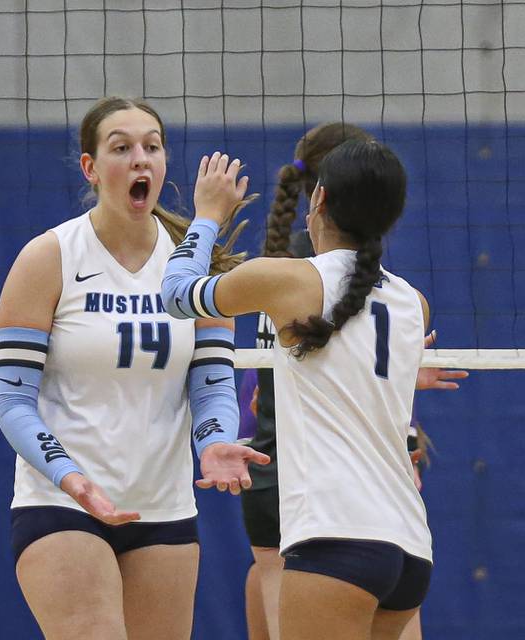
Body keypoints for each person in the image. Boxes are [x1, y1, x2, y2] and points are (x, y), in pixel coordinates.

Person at [0, 96, 269, 640]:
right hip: (63, 503)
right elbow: (12, 401)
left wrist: (213, 443)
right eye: (122, 148)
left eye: (153, 146)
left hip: (162, 508)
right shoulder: (49, 257)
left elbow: (212, 384)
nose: (141, 158)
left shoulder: (194, 266)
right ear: (92, 168)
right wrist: (71, 478)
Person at [162, 141, 441, 639]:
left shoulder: (289, 280)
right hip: (410, 550)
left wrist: (207, 216)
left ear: (319, 200)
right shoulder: (412, 303)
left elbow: (178, 295)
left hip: (337, 540)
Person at [242, 123, 467, 640]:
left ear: (317, 194)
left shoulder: (290, 272)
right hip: (334, 500)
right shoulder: (372, 287)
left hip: (318, 502)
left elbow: (259, 382)